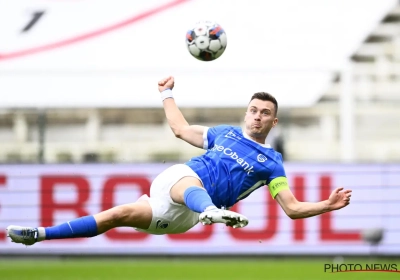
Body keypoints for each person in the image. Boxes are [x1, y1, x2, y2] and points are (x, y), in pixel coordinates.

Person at [7, 76, 352, 246]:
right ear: (246, 112)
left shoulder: (272, 164)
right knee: (117, 214)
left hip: (183, 217)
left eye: (265, 113)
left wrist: (327, 204)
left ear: (273, 122)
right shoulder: (224, 133)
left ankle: (207, 209)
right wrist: (166, 92)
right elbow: (180, 128)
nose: (257, 116)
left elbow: (290, 208)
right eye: (253, 109)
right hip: (179, 192)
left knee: (184, 182)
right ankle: (37, 235)